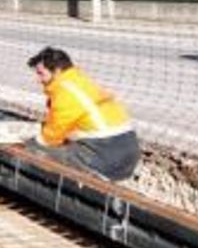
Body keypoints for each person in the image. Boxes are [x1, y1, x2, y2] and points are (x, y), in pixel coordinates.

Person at [27, 46, 139, 181]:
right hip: (129, 152)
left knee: (35, 149)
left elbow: (52, 136)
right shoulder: (79, 80)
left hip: (105, 154)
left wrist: (35, 142)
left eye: (41, 73)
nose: (38, 79)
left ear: (56, 71)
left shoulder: (64, 91)